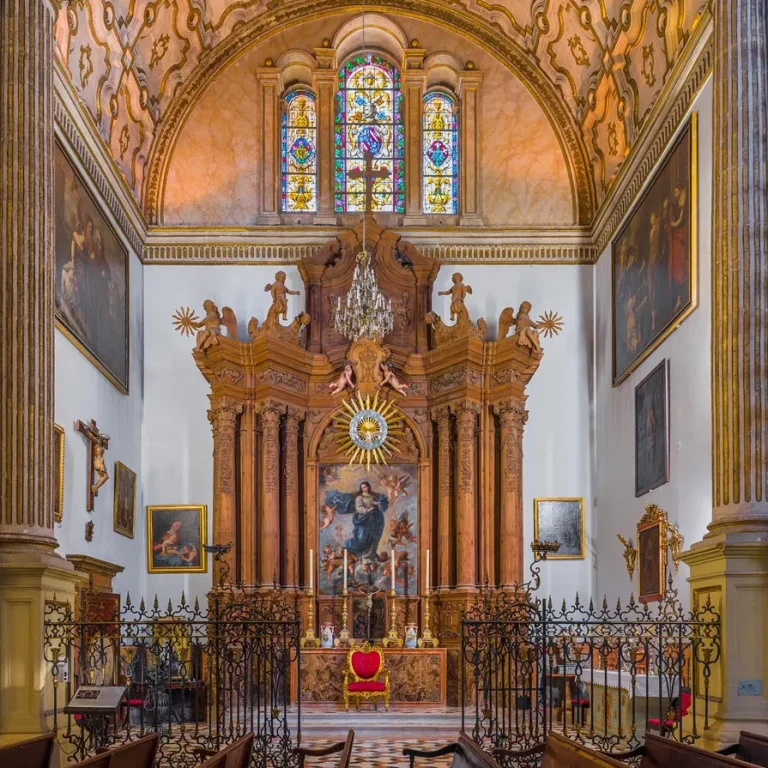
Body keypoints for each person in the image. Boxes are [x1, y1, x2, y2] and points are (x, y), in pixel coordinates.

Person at [341, 481, 386, 568]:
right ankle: (350, 548)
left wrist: (377, 504)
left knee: (373, 538)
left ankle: (368, 558)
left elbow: (377, 505)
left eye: (365, 487)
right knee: (362, 538)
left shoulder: (373, 496)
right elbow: (358, 508)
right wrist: (367, 510)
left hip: (375, 520)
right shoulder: (359, 497)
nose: (364, 489)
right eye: (362, 488)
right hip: (364, 519)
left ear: (368, 487)